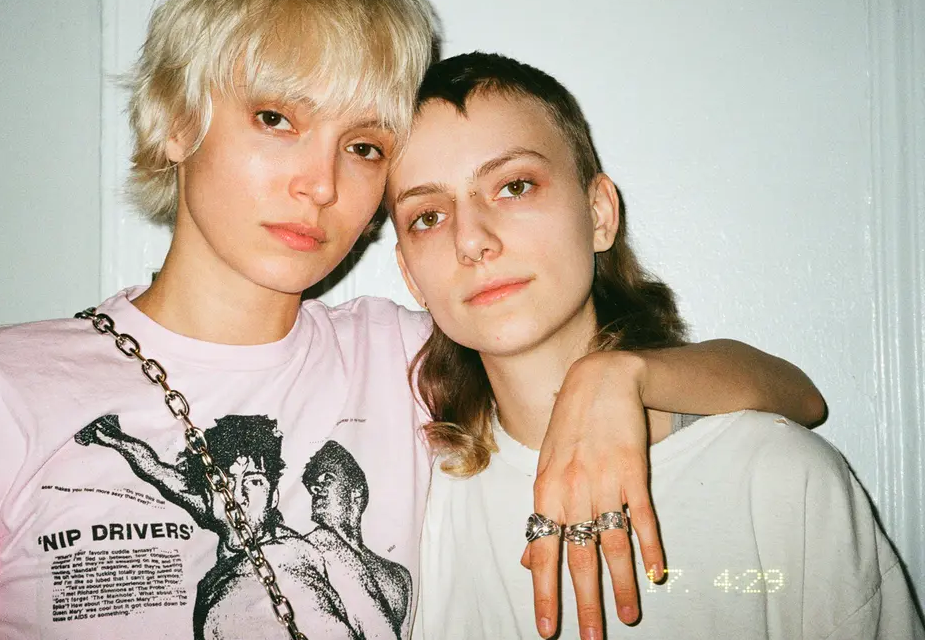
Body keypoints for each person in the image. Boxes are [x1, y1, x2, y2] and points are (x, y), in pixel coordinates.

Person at [0, 0, 823, 639]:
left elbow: (795, 395)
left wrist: (621, 375)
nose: (321, 183)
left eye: (365, 146)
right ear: (179, 119)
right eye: (276, 118)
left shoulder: (404, 357)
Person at [385, 51, 925, 639]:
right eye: (427, 217)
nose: (471, 240)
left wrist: (622, 373)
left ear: (599, 214)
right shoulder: (415, 511)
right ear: (410, 275)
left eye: (515, 186)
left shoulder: (776, 478)